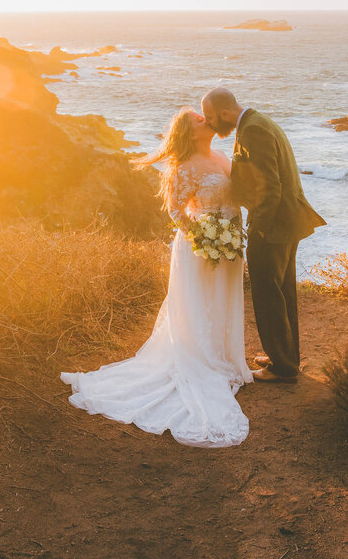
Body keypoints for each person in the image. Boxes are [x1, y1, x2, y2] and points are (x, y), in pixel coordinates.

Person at [60, 108, 253, 447]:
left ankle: (224, 357)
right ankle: (203, 359)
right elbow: (178, 211)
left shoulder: (223, 155)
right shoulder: (182, 168)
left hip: (230, 240)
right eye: (199, 119)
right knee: (201, 304)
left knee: (222, 299)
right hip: (201, 247)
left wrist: (230, 234)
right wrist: (205, 238)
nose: (207, 120)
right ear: (190, 133)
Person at [201, 88, 326, 382]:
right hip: (286, 221)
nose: (210, 124)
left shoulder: (253, 131)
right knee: (282, 293)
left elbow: (270, 187)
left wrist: (259, 227)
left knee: (268, 295)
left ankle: (281, 368)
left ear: (226, 112)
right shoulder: (256, 122)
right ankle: (284, 358)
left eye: (210, 117)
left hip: (273, 226)